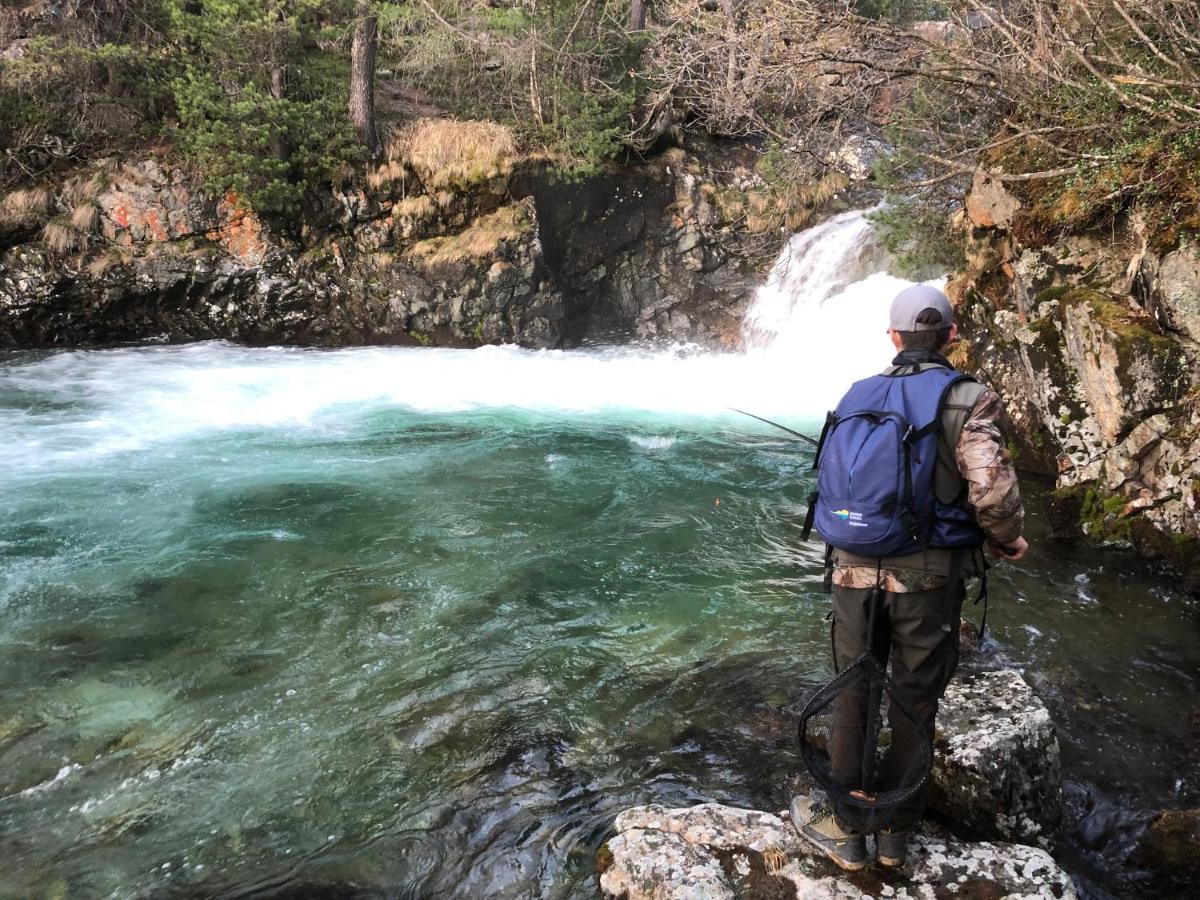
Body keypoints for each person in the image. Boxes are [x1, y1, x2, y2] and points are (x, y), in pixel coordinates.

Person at [790, 284, 1028, 871]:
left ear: (893, 339)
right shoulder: (969, 397)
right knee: (916, 700)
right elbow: (991, 489)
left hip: (850, 569)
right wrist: (1007, 540)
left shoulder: (856, 393)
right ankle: (895, 833)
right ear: (950, 336)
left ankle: (846, 829)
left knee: (854, 693)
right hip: (927, 578)